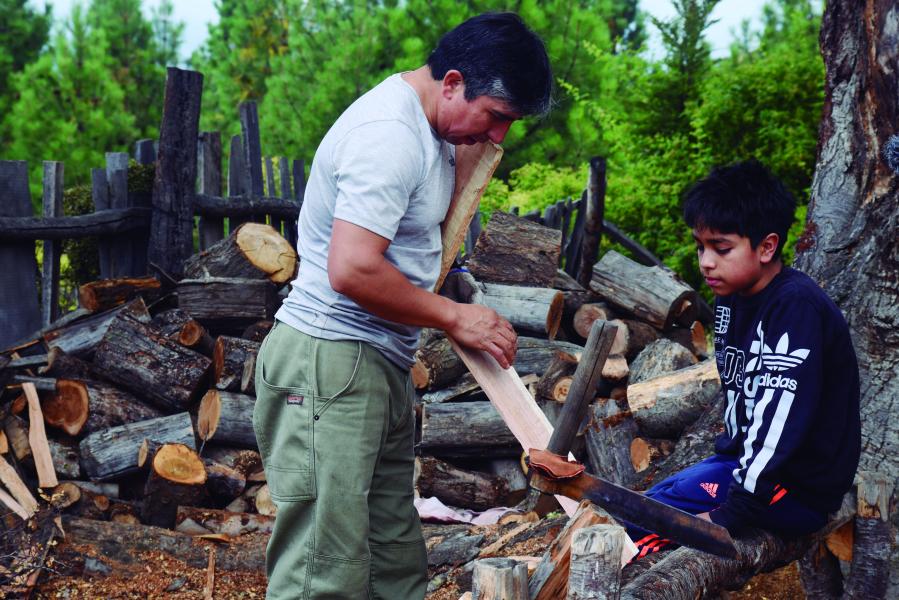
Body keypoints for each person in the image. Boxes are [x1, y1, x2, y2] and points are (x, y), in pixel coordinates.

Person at [252, 13, 553, 599]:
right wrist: (454, 317)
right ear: (454, 82)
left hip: (375, 362)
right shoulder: (387, 132)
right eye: (496, 118)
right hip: (328, 361)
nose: (498, 138)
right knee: (324, 570)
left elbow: (416, 246)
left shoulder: (434, 131)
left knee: (393, 558)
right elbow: (353, 267)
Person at [628, 160, 861, 559]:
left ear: (767, 246)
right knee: (647, 499)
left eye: (721, 249)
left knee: (643, 524)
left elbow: (779, 423)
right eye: (701, 247)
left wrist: (730, 514)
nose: (705, 262)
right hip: (750, 468)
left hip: (796, 487)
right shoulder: (731, 299)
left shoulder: (794, 309)